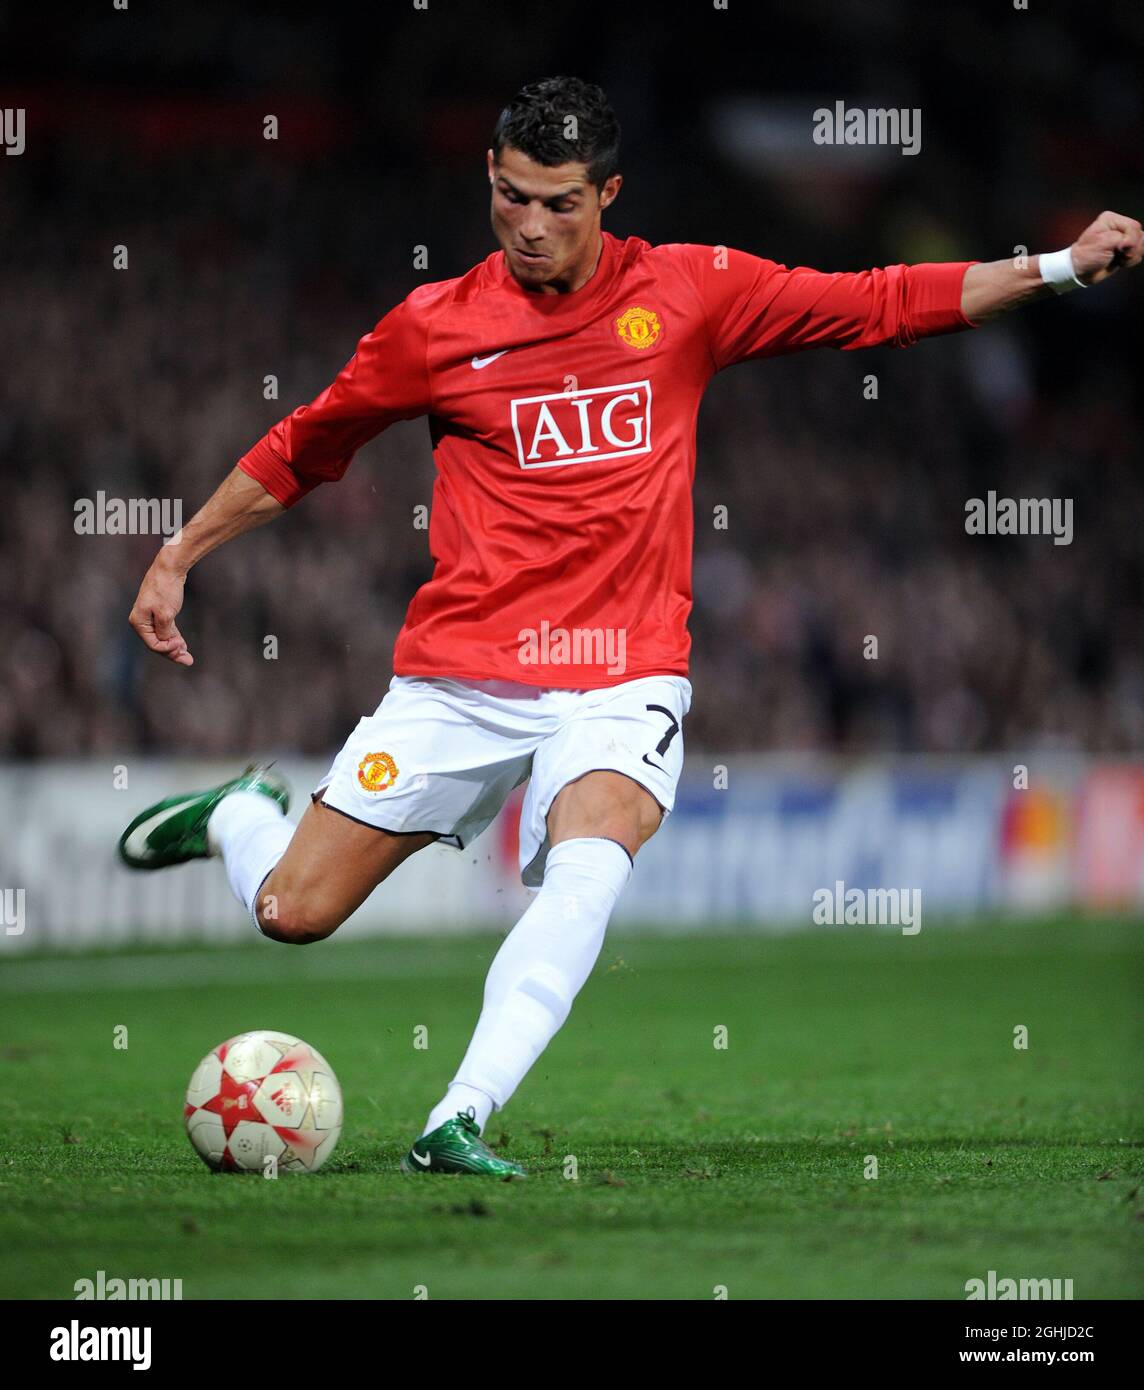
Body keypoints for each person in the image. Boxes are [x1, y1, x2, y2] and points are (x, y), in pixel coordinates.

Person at [119, 75, 1143, 1175]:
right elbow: (304, 447)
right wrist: (180, 553)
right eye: (512, 196)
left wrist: (1055, 267)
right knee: (290, 912)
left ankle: (453, 1115)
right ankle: (240, 817)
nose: (530, 224)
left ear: (609, 194)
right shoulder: (435, 327)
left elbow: (877, 301)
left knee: (589, 861)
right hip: (458, 678)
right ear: (489, 180)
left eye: (560, 203)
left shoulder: (688, 292)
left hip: (621, 674)